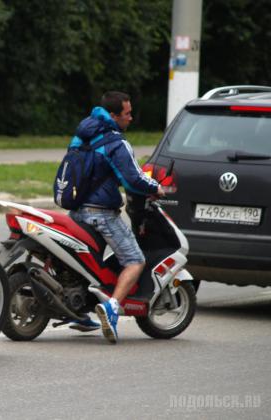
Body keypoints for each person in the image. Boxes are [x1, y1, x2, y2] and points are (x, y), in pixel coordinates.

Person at [68, 91, 164, 344]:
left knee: (86, 262)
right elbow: (133, 178)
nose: (131, 118)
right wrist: (156, 188)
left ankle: (76, 311)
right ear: (113, 116)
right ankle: (111, 308)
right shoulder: (115, 142)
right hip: (101, 213)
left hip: (76, 210)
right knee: (134, 259)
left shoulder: (81, 135)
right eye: (127, 113)